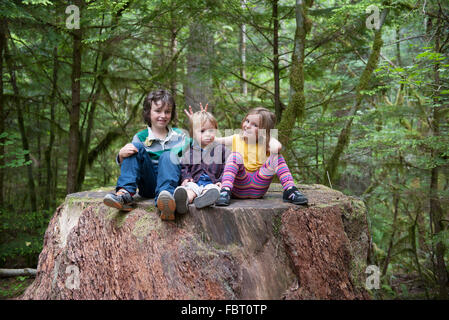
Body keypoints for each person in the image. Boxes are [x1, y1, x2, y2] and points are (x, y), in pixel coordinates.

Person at [103, 89, 190, 221]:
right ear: (148, 112)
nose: (163, 115)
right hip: (148, 183)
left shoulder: (180, 136)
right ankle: (124, 194)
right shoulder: (140, 137)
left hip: (170, 183)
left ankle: (165, 202)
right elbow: (132, 165)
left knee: (168, 156)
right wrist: (120, 156)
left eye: (167, 112)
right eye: (158, 111)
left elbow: (196, 152)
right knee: (134, 148)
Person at [213, 107, 308, 206]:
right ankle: (225, 191)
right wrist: (204, 121)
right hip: (239, 186)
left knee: (277, 156)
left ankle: (290, 190)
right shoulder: (236, 138)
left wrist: (266, 139)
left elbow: (277, 147)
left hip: (259, 186)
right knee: (234, 156)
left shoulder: (265, 142)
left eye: (255, 125)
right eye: (247, 121)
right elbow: (215, 140)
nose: (248, 126)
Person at [173, 111, 230, 213]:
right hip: (194, 182)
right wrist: (186, 178)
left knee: (213, 191)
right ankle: (184, 201)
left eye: (211, 130)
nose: (207, 134)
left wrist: (221, 181)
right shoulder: (190, 151)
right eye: (202, 131)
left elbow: (227, 167)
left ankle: (205, 199)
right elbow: (184, 167)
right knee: (189, 190)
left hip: (212, 182)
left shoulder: (221, 150)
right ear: (193, 134)